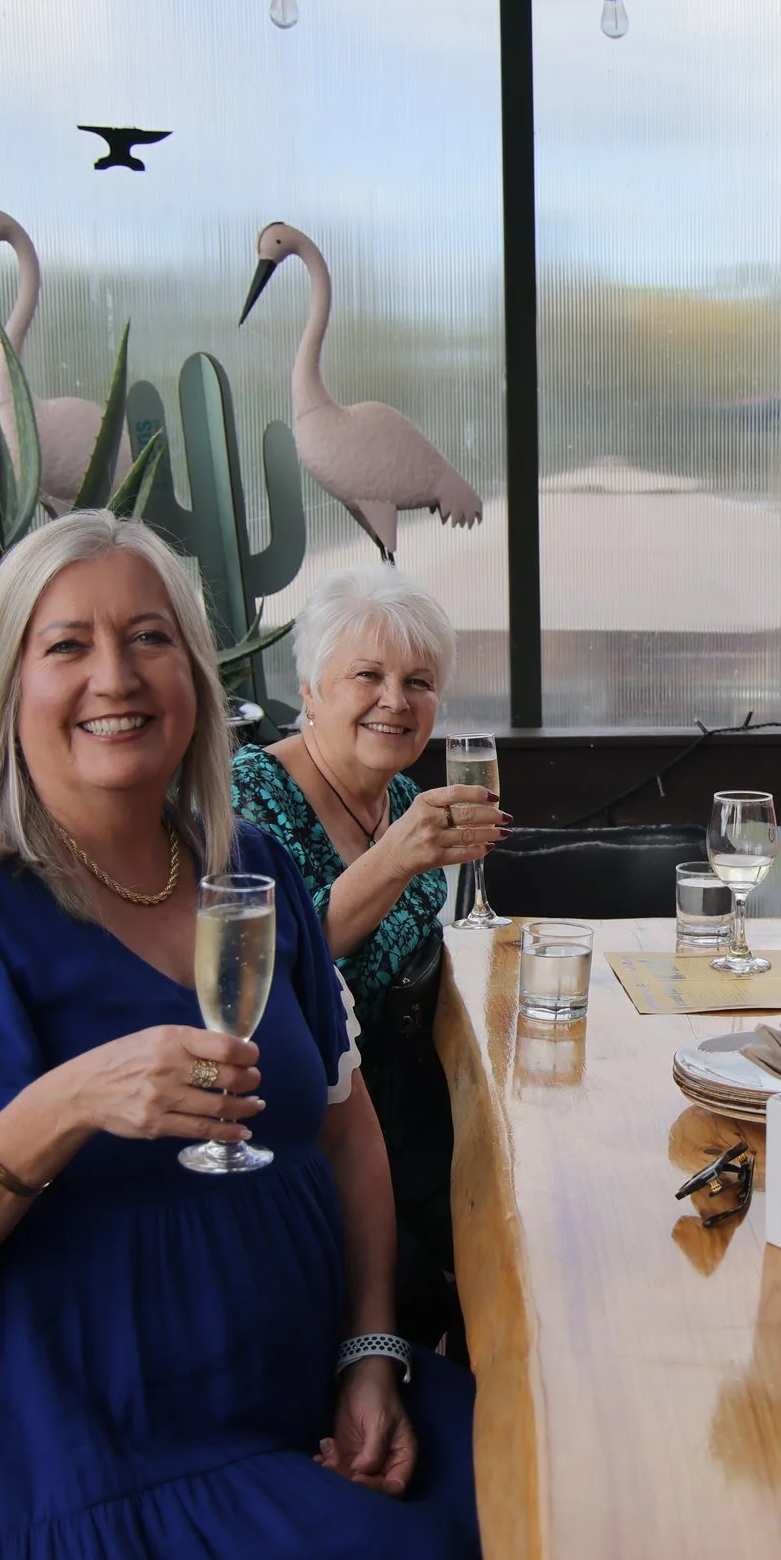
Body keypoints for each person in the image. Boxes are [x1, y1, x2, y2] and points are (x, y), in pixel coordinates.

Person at [0, 512, 483, 1560]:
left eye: (150, 638)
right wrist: (65, 1103)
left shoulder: (252, 869)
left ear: (194, 675)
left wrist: (372, 1348)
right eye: (66, 646)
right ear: (4, 685)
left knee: (546, 1478)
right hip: (74, 1466)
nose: (116, 675)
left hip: (293, 1400)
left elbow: (347, 1130)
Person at [231, 564, 502, 1352]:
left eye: (419, 681)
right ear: (310, 692)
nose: (396, 699)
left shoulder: (400, 794)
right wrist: (398, 858)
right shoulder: (254, 797)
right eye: (368, 676)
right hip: (320, 1141)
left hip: (416, 1120)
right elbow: (267, 974)